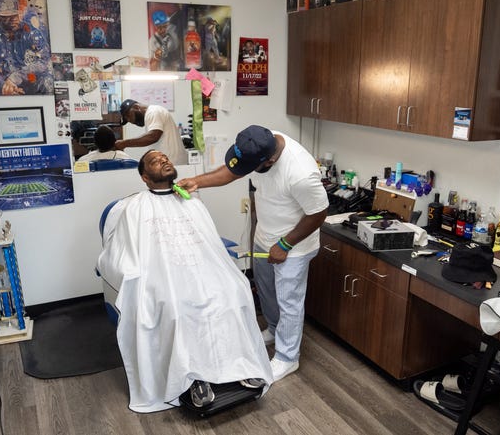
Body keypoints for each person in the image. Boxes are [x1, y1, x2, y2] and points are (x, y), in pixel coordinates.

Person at [97, 149, 273, 413]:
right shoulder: (134, 207)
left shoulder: (191, 201)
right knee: (178, 306)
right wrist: (134, 275)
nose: (164, 161)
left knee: (233, 292)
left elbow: (209, 244)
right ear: (145, 177)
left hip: (200, 268)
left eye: (165, 158)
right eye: (156, 161)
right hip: (159, 274)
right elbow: (124, 251)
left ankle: (239, 366)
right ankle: (192, 379)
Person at [177, 125, 329, 383]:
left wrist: (285, 245)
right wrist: (196, 182)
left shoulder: (300, 173)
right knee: (267, 290)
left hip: (293, 245)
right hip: (265, 236)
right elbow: (232, 172)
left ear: (269, 160)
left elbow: (318, 213)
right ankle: (272, 329)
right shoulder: (259, 141)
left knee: (288, 301)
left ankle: (287, 357)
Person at [117, 99, 188, 165]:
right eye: (128, 120)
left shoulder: (153, 112)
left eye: (129, 116)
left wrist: (124, 143)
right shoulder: (153, 112)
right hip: (169, 162)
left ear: (136, 107)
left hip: (172, 163)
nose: (131, 121)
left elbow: (153, 136)